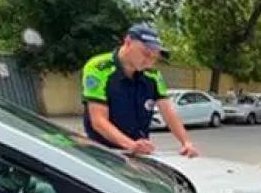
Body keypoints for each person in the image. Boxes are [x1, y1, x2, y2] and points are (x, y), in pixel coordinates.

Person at [81, 23, 198, 157]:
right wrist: (131, 145)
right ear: (128, 42)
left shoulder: (153, 75)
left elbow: (168, 111)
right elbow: (98, 120)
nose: (149, 61)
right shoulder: (99, 68)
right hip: (104, 153)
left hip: (139, 151)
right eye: (146, 53)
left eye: (155, 57)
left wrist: (186, 142)